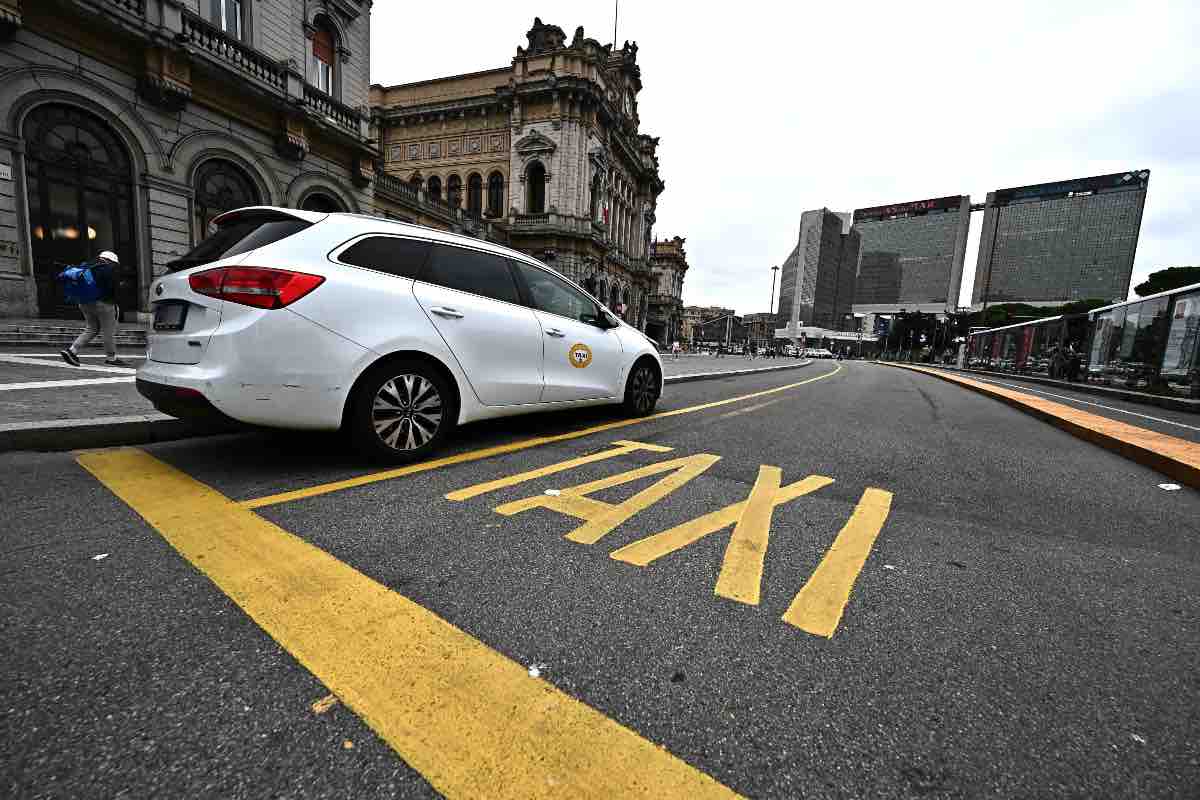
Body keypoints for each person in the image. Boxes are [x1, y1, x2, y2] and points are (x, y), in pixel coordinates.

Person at [60, 251, 130, 367]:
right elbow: (113, 289)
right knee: (108, 331)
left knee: (92, 328)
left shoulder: (87, 266)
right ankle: (111, 358)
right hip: (104, 304)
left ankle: (72, 351)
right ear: (112, 261)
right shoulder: (109, 268)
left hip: (84, 302)